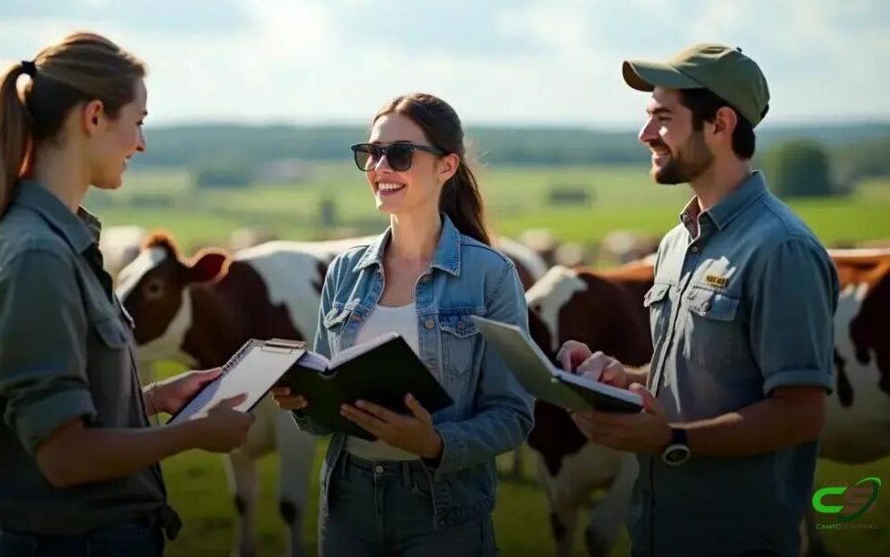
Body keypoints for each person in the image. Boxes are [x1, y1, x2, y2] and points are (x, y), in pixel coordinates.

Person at [0, 32, 253, 556]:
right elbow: (64, 458)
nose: (141, 143)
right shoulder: (37, 257)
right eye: (138, 122)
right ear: (95, 116)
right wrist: (193, 434)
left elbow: (63, 420)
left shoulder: (58, 242)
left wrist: (151, 400)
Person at [558, 44, 838, 557]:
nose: (646, 134)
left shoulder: (783, 249)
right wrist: (623, 379)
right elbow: (697, 370)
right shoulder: (675, 243)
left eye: (663, 118)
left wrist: (671, 440)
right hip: (657, 534)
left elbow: (801, 414)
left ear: (720, 124)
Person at [271, 93, 534, 556]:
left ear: (446, 167)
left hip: (444, 507)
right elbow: (324, 406)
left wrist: (435, 443)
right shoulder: (344, 271)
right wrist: (304, 401)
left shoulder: (491, 275)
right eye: (372, 153)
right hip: (347, 502)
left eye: (399, 154)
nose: (379, 167)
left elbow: (513, 415)